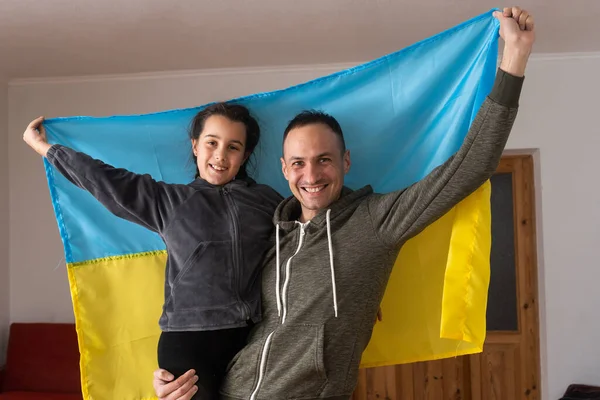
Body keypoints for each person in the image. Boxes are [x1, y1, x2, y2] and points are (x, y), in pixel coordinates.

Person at [157, 6, 534, 400]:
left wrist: (514, 58)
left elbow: (469, 167)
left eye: (324, 160)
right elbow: (225, 316)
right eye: (299, 163)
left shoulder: (374, 223)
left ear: (345, 162)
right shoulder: (271, 234)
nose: (312, 175)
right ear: (285, 170)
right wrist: (174, 381)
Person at [23, 103, 283, 400]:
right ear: (195, 146)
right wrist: (45, 148)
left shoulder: (266, 202)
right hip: (189, 342)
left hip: (250, 336)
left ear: (245, 155)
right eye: (212, 143)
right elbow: (104, 178)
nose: (221, 156)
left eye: (233, 147)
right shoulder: (169, 201)